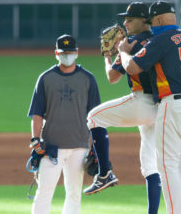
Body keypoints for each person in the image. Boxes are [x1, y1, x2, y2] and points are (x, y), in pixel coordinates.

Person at [118, 1, 181, 214]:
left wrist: (123, 52)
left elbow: (132, 67)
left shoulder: (161, 39)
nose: (151, 26)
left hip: (176, 105)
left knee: (167, 166)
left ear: (159, 20)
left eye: (152, 22)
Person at [83, 2, 161, 214]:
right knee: (150, 166)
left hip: (142, 103)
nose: (124, 23)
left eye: (129, 19)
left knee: (94, 117)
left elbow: (113, 77)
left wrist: (108, 56)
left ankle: (105, 173)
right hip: (162, 107)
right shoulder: (158, 40)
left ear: (143, 20)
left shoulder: (131, 43)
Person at [27, 34, 117, 214]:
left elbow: (95, 116)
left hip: (80, 146)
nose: (66, 55)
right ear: (56, 53)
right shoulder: (45, 78)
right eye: (63, 52)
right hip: (51, 148)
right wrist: (36, 139)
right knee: (44, 192)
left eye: (69, 52)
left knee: (74, 193)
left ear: (77, 52)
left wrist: (94, 146)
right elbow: (37, 114)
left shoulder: (88, 79)